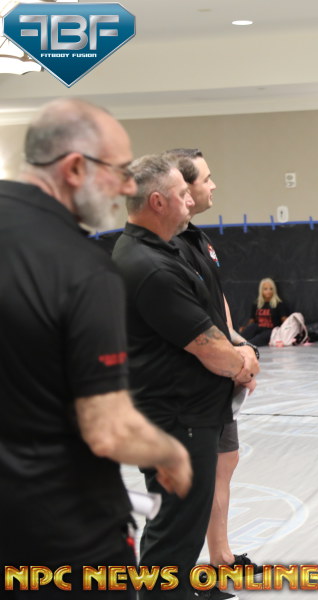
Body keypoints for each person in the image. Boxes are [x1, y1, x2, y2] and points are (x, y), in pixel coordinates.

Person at [0, 99, 192, 591]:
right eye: (119, 172)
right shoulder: (81, 269)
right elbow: (108, 429)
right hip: (60, 536)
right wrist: (170, 452)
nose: (127, 187)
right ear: (74, 168)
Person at [112, 154, 259, 599]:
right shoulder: (150, 266)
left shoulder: (165, 249)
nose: (191, 200)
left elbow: (209, 313)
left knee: (179, 531)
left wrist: (237, 349)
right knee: (173, 540)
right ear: (158, 202)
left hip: (184, 416)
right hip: (177, 420)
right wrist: (243, 362)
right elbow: (207, 347)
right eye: (182, 194)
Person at [167, 148, 261, 588]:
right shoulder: (166, 248)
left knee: (225, 461)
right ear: (182, 188)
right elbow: (189, 321)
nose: (213, 185)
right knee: (195, 477)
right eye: (206, 178)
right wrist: (233, 362)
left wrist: (239, 344)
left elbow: (216, 301)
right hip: (192, 385)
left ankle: (220, 557)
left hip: (219, 377)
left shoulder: (197, 239)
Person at [239, 277, 290, 346]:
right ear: (261, 290)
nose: (269, 291)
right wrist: (245, 328)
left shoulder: (279, 304)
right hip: (259, 327)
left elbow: (284, 320)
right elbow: (252, 320)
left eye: (271, 289)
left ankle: (247, 345)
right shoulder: (256, 304)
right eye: (265, 289)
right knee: (252, 327)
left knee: (258, 338)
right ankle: (237, 343)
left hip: (271, 330)